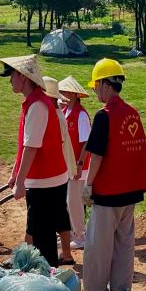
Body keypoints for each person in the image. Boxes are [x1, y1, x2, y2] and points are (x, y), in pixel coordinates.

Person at [82, 58, 146, 291]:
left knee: (99, 245)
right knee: (124, 243)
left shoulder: (104, 116)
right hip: (130, 191)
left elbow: (97, 155)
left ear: (105, 85)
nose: (95, 91)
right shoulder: (132, 113)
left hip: (108, 192)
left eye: (96, 85)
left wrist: (88, 185)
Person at [0, 54, 71, 268]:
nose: (10, 80)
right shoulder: (34, 103)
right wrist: (16, 173)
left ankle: (47, 276)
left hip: (45, 180)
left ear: (23, 77)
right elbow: (25, 144)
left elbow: (32, 147)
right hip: (47, 178)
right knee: (41, 233)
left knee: (42, 239)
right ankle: (47, 274)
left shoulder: (37, 106)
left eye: (12, 75)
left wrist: (21, 181)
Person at [42, 76, 78, 266]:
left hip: (54, 170)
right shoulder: (59, 113)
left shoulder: (53, 115)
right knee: (60, 212)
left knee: (43, 214)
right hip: (61, 169)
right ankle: (66, 253)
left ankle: (52, 253)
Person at [59, 75, 91, 251]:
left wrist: (80, 164)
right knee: (69, 201)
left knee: (74, 201)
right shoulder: (66, 111)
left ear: (71, 93)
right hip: (69, 165)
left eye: (63, 91)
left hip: (78, 166)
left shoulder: (81, 115)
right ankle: (73, 233)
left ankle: (80, 236)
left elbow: (86, 142)